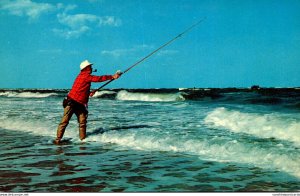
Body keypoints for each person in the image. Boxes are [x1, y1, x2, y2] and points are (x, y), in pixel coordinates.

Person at [54, 60, 121, 144]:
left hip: (79, 103)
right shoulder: (85, 76)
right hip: (71, 102)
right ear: (86, 68)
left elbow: (81, 89)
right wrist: (112, 76)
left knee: (82, 122)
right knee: (65, 121)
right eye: (90, 66)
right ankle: (58, 139)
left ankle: (82, 140)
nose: (91, 68)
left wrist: (89, 92)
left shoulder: (83, 76)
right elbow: (98, 79)